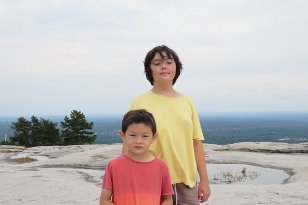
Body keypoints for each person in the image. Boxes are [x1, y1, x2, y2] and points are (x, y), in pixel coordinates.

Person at [128, 45, 211, 204]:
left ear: (176, 67)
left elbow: (196, 142)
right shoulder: (139, 102)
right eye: (157, 63)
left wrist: (205, 181)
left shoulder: (187, 101)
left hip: (187, 179)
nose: (164, 66)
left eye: (168, 62)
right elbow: (129, 144)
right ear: (149, 70)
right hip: (151, 178)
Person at [100, 109, 174, 205]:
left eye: (145, 136)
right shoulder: (113, 166)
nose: (138, 141)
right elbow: (104, 200)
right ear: (123, 136)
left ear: (154, 138)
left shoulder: (161, 167)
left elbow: (168, 200)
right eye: (133, 135)